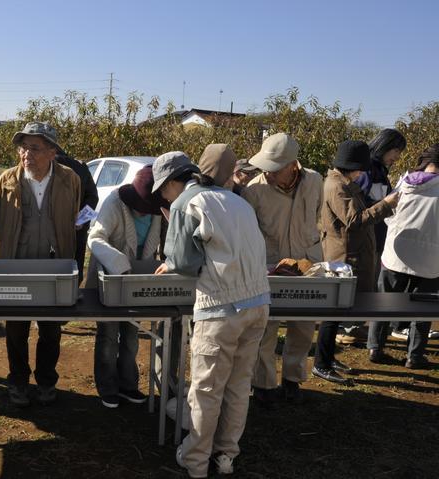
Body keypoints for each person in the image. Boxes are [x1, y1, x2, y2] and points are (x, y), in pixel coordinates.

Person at [153, 151, 270, 479]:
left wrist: (171, 259)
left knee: (206, 390)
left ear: (174, 182)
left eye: (163, 189)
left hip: (220, 307)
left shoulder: (185, 203)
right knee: (238, 385)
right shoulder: (238, 201)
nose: (164, 195)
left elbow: (186, 263)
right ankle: (226, 456)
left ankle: (195, 462)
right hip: (258, 303)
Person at [0, 121, 81, 407]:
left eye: (35, 148)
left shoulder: (70, 179)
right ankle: (18, 381)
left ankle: (46, 380)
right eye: (23, 147)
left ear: (52, 152)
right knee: (16, 327)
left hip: (55, 265)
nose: (26, 154)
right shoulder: (7, 180)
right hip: (16, 264)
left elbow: (73, 219)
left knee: (51, 328)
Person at [242, 133, 323, 406]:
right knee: (265, 326)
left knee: (303, 325)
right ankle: (263, 383)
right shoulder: (254, 190)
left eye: (274, 167)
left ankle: (292, 378)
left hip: (306, 262)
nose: (268, 172)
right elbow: (249, 232)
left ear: (292, 165)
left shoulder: (314, 181)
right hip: (270, 265)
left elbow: (317, 216)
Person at [313, 140, 398, 385]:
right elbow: (354, 220)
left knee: (338, 312)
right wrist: (386, 205)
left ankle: (328, 359)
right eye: (361, 168)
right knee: (333, 313)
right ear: (351, 166)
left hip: (349, 254)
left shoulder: (345, 183)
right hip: (343, 257)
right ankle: (321, 364)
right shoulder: (337, 187)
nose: (363, 173)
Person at [86, 165, 162, 408]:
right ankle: (107, 387)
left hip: (137, 281)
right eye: (141, 208)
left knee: (131, 335)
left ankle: (128, 385)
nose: (144, 213)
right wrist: (119, 263)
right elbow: (95, 238)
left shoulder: (160, 209)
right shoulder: (114, 202)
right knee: (108, 334)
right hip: (111, 278)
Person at [367, 144, 439, 369]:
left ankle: (374, 348)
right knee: (424, 309)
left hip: (395, 255)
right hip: (430, 259)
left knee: (384, 302)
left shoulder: (405, 182)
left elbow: (388, 214)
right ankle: (414, 356)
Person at [341, 129, 407, 344]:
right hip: (363, 233)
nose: (397, 156)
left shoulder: (378, 170)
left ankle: (355, 324)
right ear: (384, 146)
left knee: (367, 279)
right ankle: (345, 327)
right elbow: (358, 207)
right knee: (357, 279)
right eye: (396, 150)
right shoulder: (366, 171)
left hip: (376, 231)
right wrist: (386, 203)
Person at [56, 149, 98, 285]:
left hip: (50, 228)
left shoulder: (46, 165)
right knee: (75, 263)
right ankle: (73, 293)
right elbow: (92, 197)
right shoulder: (80, 166)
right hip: (76, 228)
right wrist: (81, 219)